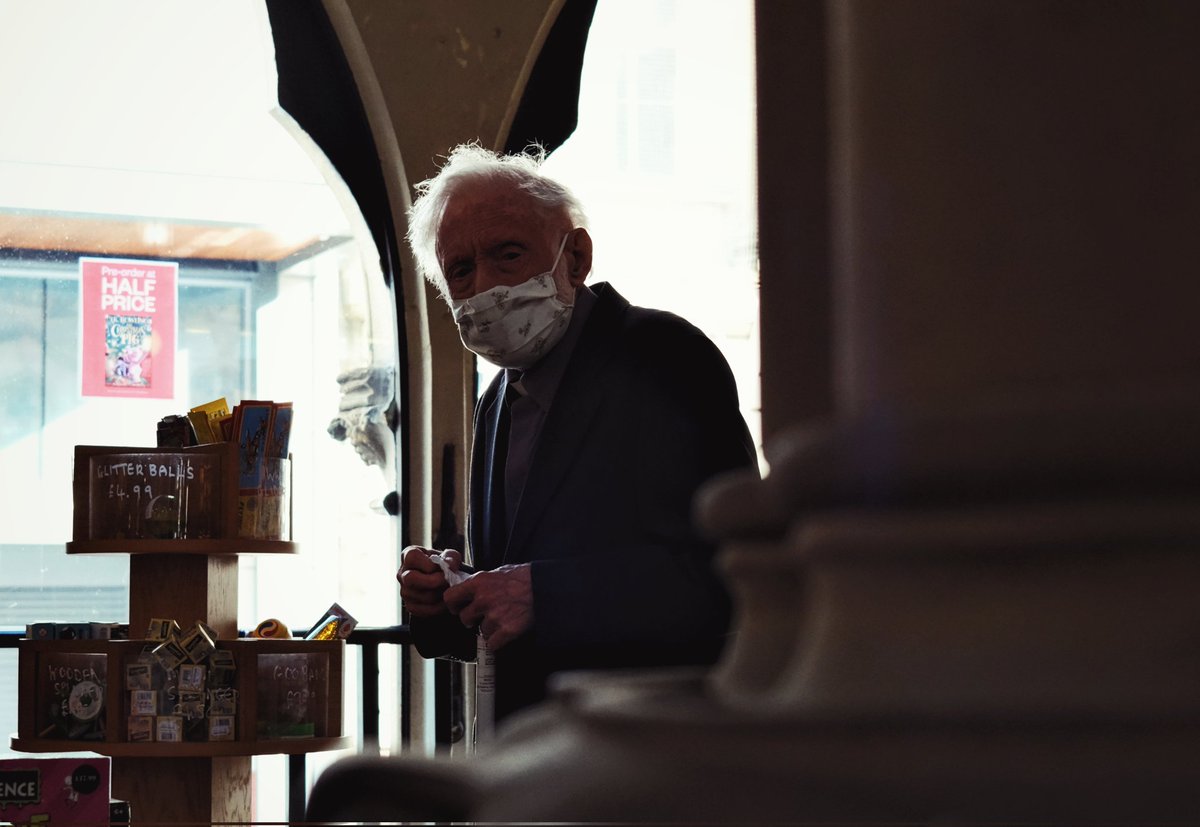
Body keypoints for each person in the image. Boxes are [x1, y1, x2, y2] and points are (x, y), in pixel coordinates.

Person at [397, 142, 757, 723]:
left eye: (507, 255)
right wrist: (447, 600)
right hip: (536, 752)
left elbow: (729, 574)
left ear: (575, 257)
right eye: (460, 270)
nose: (486, 286)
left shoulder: (664, 357)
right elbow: (505, 608)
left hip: (647, 745)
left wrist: (543, 593)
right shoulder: (497, 400)